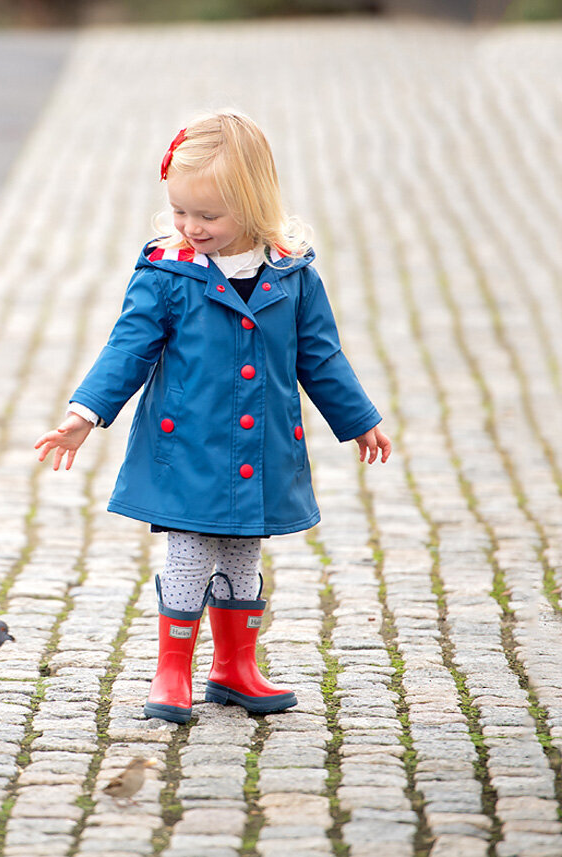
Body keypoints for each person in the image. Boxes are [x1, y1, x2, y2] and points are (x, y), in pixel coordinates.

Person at [34, 109, 391, 724]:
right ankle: (172, 670)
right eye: (180, 212)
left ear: (253, 205)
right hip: (189, 448)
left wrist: (359, 418)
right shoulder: (168, 273)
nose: (191, 227)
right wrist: (84, 414)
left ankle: (234, 669)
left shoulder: (293, 273)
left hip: (260, 448)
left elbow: (320, 353)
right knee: (190, 552)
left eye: (208, 216)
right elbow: (129, 347)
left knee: (243, 553)